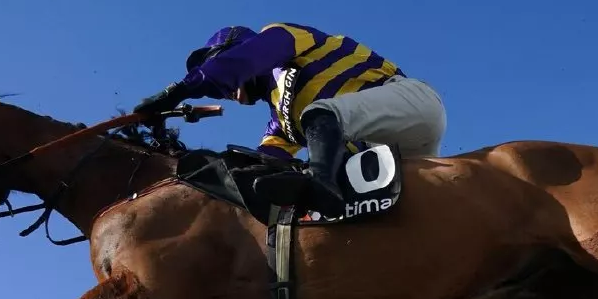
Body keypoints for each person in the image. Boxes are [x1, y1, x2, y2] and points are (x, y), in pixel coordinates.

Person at [131, 23, 446, 218]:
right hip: (383, 164)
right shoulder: (280, 123)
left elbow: (245, 60)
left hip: (412, 107)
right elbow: (261, 166)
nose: (222, 91)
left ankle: (323, 184)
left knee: (321, 114)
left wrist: (176, 92)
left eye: (218, 73)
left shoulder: (285, 38)